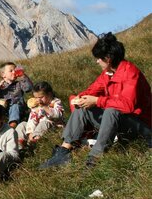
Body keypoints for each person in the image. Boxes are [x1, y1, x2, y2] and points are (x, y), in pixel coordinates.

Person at [39, 32, 151, 169]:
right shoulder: (108, 73)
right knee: (84, 109)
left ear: (108, 58)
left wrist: (97, 101)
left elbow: (127, 105)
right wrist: (80, 99)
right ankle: (63, 151)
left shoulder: (130, 73)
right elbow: (92, 90)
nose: (97, 61)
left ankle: (94, 158)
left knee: (111, 111)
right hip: (121, 122)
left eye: (98, 58)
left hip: (141, 126)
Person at [15, 81, 64, 148]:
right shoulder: (36, 106)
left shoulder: (56, 102)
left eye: (41, 97)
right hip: (37, 127)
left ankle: (33, 143)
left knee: (44, 123)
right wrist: (30, 132)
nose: (38, 100)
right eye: (36, 97)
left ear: (49, 94)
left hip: (53, 126)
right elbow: (32, 119)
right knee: (22, 124)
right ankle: (19, 143)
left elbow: (58, 115)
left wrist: (45, 107)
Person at [0, 62, 33, 128]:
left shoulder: (19, 84)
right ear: (3, 74)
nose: (14, 72)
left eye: (15, 70)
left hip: (19, 109)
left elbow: (29, 88)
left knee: (15, 106)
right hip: (4, 110)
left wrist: (23, 76)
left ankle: (12, 125)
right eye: (11, 71)